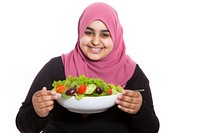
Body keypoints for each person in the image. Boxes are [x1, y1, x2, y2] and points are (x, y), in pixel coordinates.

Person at [16, 2, 159, 133]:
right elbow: (23, 125)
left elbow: (151, 129)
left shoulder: (132, 72)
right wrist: (37, 111)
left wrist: (139, 110)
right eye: (89, 33)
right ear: (80, 32)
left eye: (105, 34)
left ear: (116, 36)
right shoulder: (57, 67)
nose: (95, 41)